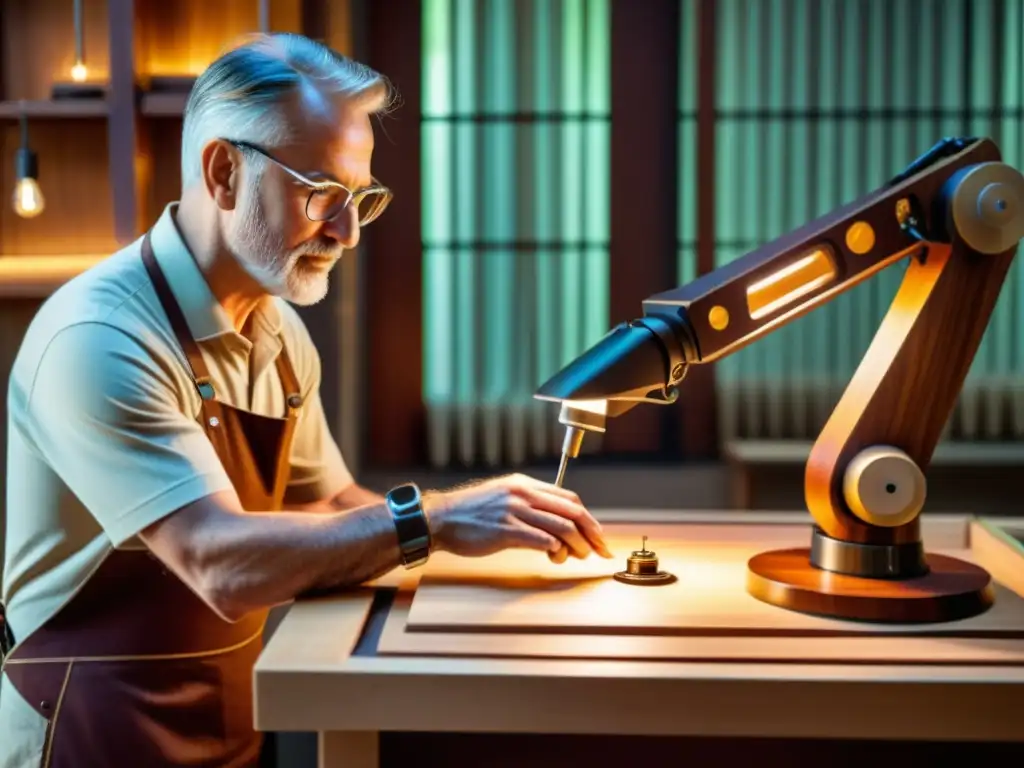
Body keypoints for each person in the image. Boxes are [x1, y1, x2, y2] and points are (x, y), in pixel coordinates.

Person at [0, 33, 611, 767]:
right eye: (322, 194)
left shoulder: (277, 328)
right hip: (86, 730)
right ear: (224, 171)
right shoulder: (99, 335)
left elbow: (332, 508)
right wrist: (439, 518)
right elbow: (218, 564)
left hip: (233, 713)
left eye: (361, 199)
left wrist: (494, 550)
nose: (348, 233)